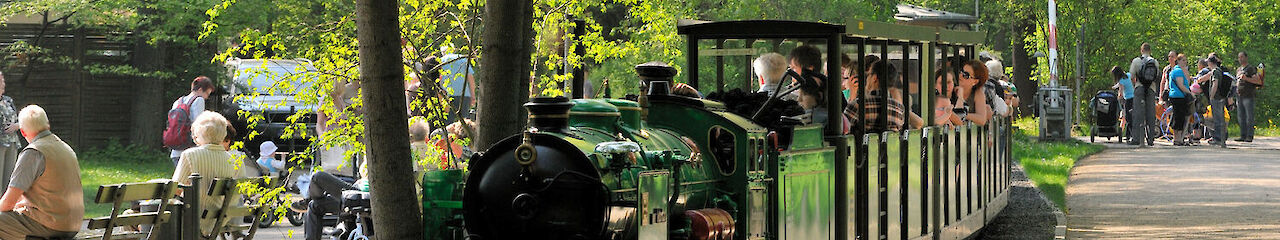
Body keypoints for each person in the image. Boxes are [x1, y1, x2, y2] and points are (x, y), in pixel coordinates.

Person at [0, 105, 83, 239]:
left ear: (22, 132)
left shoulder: (33, 153)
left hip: (50, 225)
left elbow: (8, 202)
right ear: (47, 125)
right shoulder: (65, 148)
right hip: (73, 224)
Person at [171, 111, 240, 234]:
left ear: (199, 133)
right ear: (223, 134)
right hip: (216, 220)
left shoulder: (190, 155)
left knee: (132, 215)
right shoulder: (232, 159)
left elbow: (175, 189)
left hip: (191, 219)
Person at [846, 60, 907, 132]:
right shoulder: (899, 108)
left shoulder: (858, 105)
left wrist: (852, 94)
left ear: (874, 78)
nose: (867, 79)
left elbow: (844, 129)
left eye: (868, 75)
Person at [169, 76, 214, 164]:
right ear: (200, 90)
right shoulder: (199, 100)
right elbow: (199, 125)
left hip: (175, 149)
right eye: (207, 94)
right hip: (191, 151)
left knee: (180, 177)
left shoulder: (178, 101)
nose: (206, 97)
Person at [1128, 43, 1160, 146]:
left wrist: (1135, 86)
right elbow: (1157, 75)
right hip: (1151, 88)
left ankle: (1136, 138)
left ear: (1141, 50)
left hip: (1139, 87)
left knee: (1137, 113)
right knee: (1151, 113)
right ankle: (1151, 138)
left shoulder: (1136, 61)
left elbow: (1132, 76)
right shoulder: (1155, 62)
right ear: (1150, 51)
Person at [1198, 56, 1231, 147]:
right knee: (1219, 118)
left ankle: (1218, 139)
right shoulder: (1216, 71)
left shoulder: (1216, 71)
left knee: (1218, 119)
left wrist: (1211, 96)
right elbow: (1205, 77)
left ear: (1210, 62)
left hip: (1216, 98)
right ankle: (1221, 138)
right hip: (1220, 98)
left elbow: (1215, 84)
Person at [1234, 51, 1263, 142]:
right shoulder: (1238, 70)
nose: (1240, 59)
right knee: (1241, 116)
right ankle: (1243, 135)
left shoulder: (1250, 69)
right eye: (1239, 57)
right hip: (1239, 95)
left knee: (1249, 117)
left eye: (1242, 57)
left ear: (1246, 57)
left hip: (1248, 95)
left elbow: (1258, 81)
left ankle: (1249, 136)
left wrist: (1246, 78)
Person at [954, 60, 994, 126]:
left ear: (975, 81)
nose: (960, 75)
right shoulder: (950, 88)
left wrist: (963, 114)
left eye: (965, 75)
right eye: (960, 71)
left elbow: (981, 119)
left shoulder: (977, 93)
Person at [0, 72, 20, 197]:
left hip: (12, 142)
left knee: (10, 177)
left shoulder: (8, 100)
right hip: (0, 143)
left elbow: (19, 119)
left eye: (3, 81)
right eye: (0, 81)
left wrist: (16, 126)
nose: (3, 84)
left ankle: (5, 210)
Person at [1167, 54, 1193, 146]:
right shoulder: (1177, 71)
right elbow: (1181, 85)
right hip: (1178, 96)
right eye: (1183, 60)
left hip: (1179, 96)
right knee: (1178, 118)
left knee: (1179, 117)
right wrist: (1190, 93)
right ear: (1178, 61)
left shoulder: (1179, 71)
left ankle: (1179, 138)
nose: (1185, 62)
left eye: (1185, 60)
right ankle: (1177, 138)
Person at [1110, 66, 1135, 141]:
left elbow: (1120, 92)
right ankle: (1128, 135)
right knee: (1131, 116)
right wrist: (1114, 87)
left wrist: (1118, 97)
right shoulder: (1129, 75)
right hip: (1134, 97)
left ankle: (1131, 135)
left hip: (1128, 99)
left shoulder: (1121, 81)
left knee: (1128, 118)